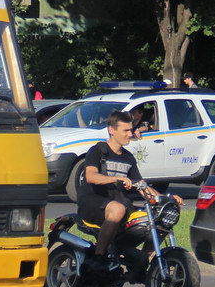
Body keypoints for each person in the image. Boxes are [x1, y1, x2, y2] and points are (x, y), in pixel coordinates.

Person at [78, 110, 182, 276]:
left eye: (131, 130)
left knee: (162, 213)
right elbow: (91, 176)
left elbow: (141, 186)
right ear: (112, 130)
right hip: (93, 202)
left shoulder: (128, 157)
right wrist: (116, 179)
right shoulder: (97, 150)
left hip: (119, 203)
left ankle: (144, 259)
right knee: (117, 209)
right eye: (126, 130)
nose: (131, 134)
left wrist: (165, 200)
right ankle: (98, 257)